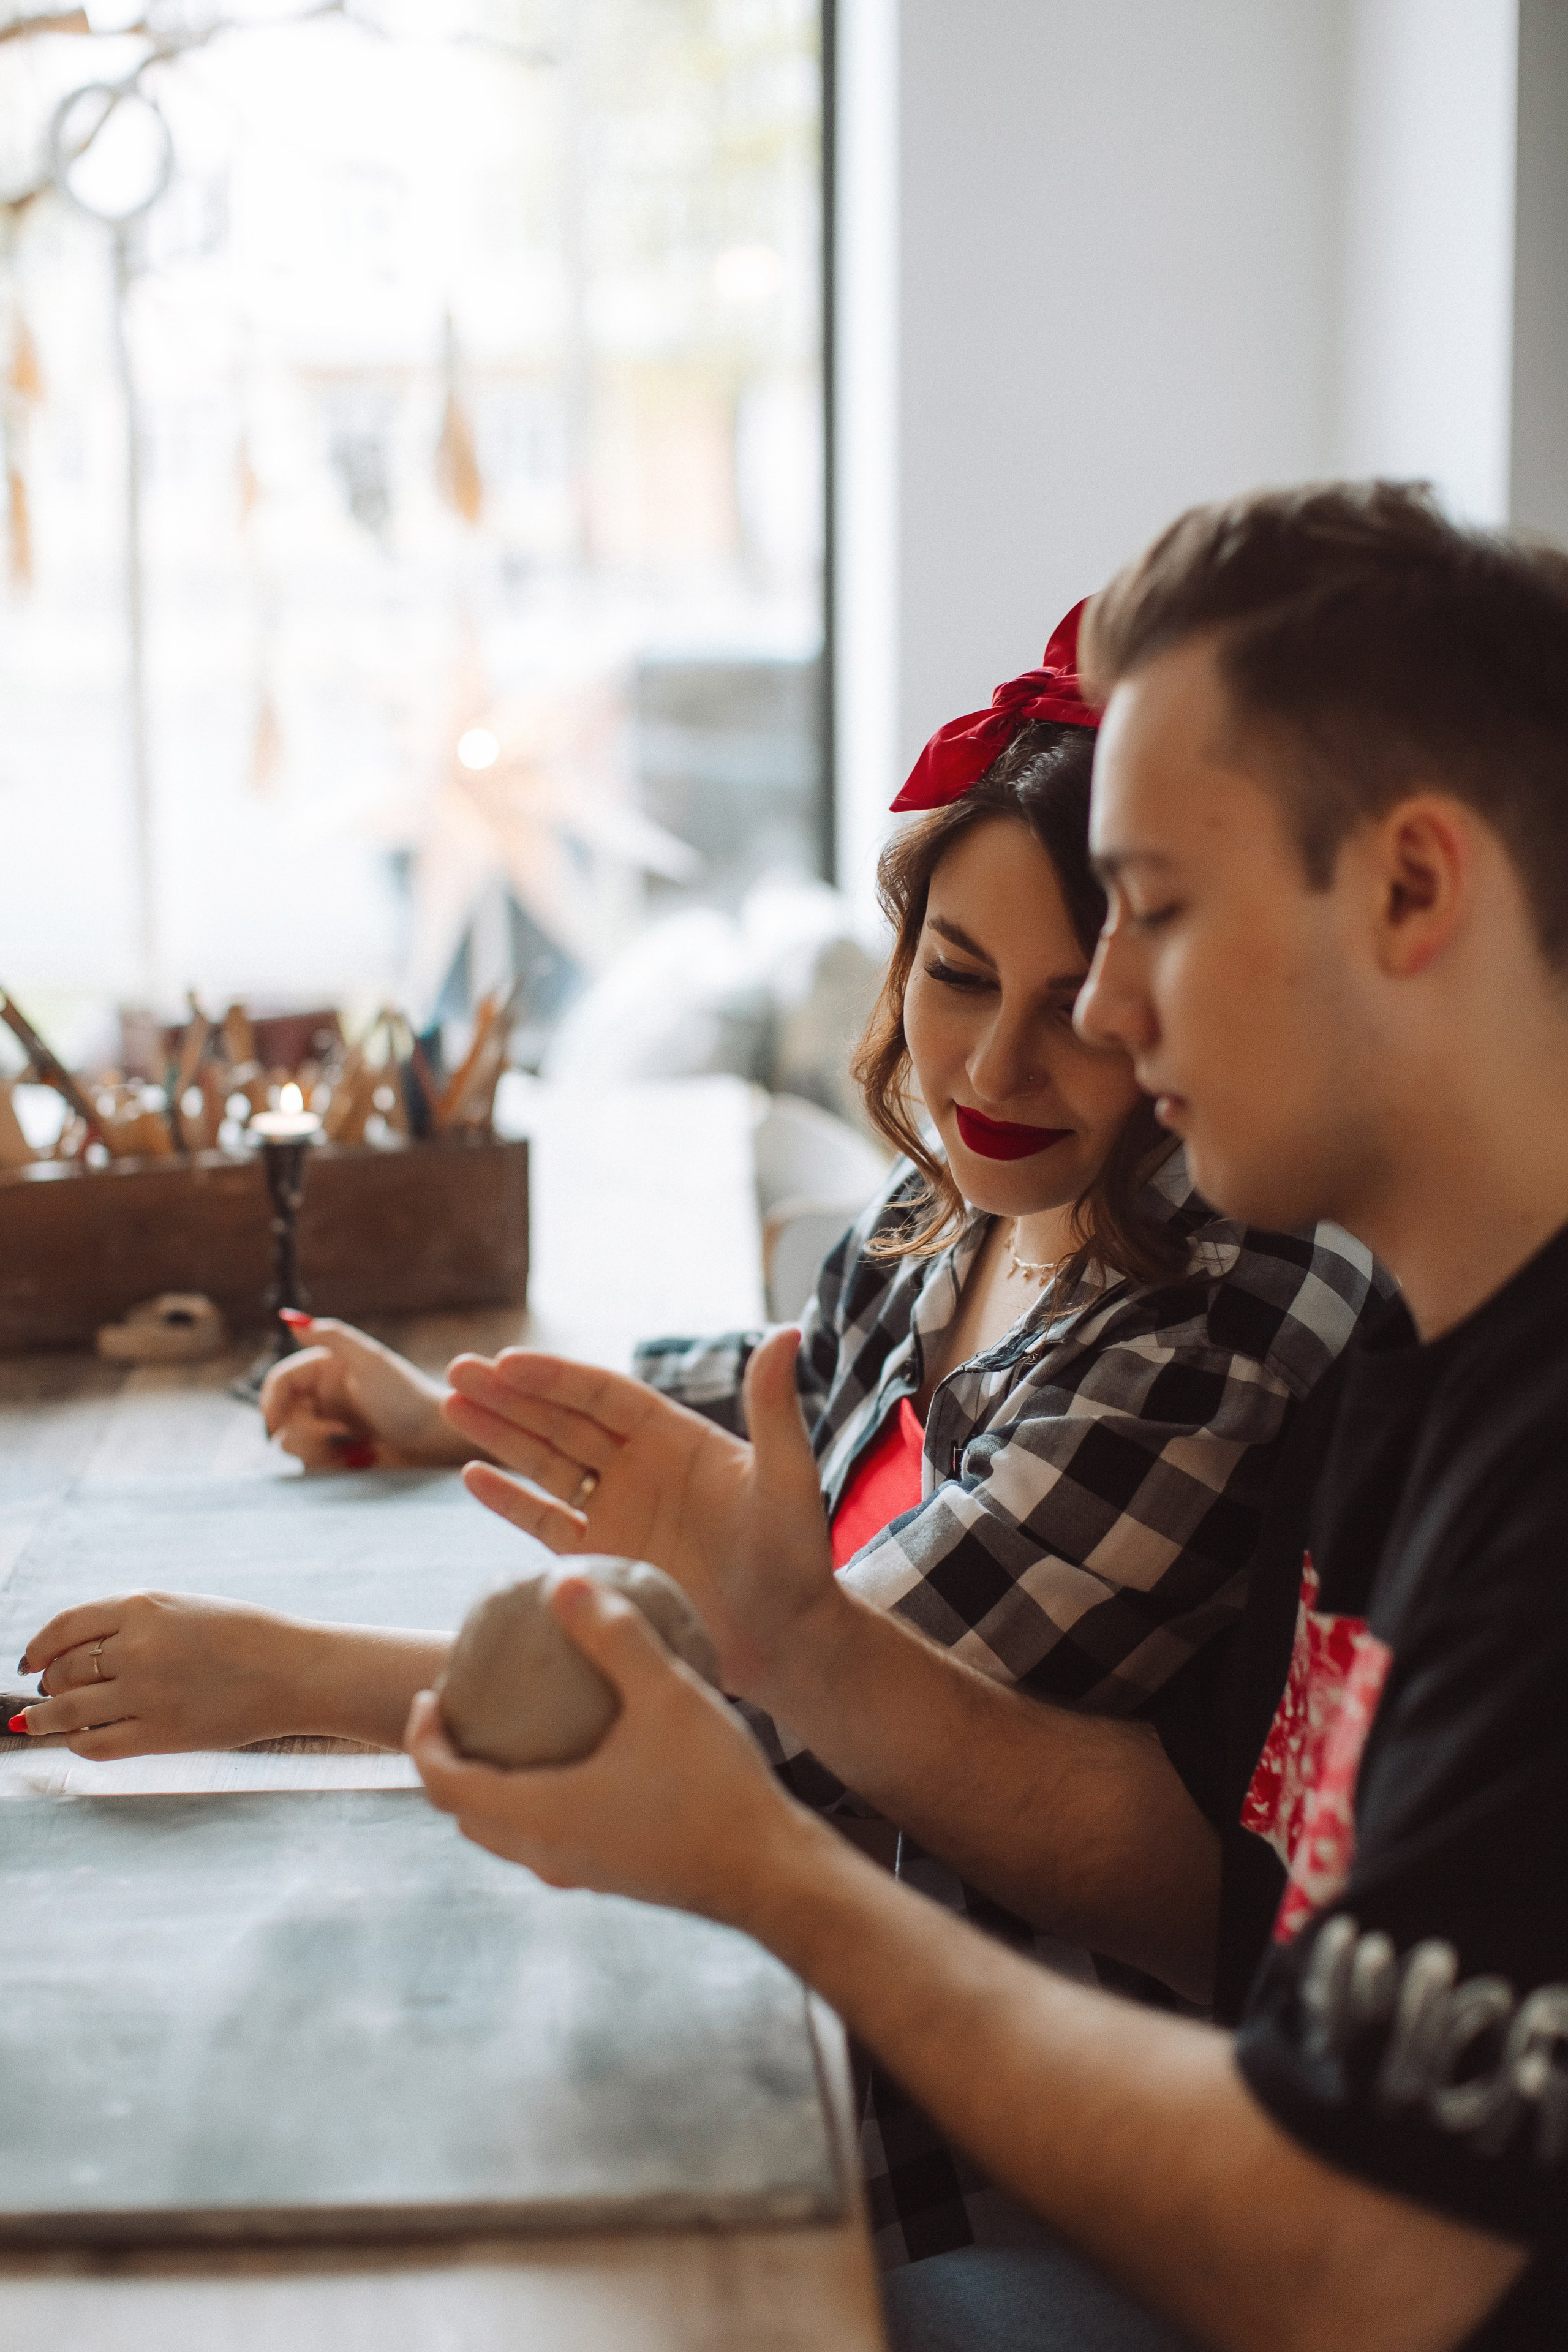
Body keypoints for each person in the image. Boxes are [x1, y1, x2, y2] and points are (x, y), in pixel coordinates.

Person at [16, 609, 1382, 2266]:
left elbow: (804, 1688)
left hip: (980, 2121)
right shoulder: (971, 1191)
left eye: (1076, 1009)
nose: (997, 1065)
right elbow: (778, 1390)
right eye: (955, 978)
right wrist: (455, 1413)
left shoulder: (1225, 1309)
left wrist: (281, 1678)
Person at [401, 481, 1568, 2352]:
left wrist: (764, 1867)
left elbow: (1357, 2258)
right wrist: (795, 1643)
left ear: (1415, 888)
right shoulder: (1419, 1373)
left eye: (1156, 913)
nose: (1102, 1006)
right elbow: (1246, 1938)